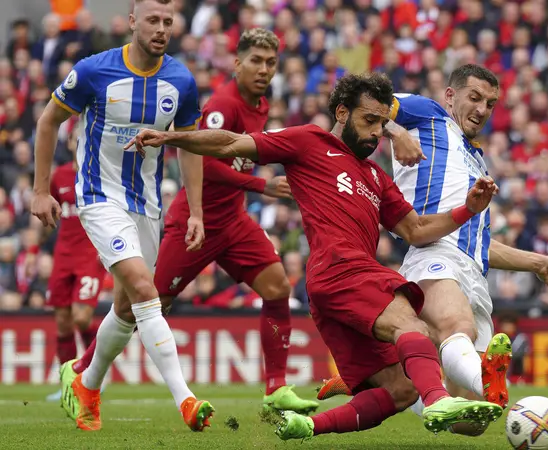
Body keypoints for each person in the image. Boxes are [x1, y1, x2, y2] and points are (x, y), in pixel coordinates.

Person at [126, 72, 504, 440]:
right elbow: (229, 144)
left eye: (381, 124)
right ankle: (438, 399)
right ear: (342, 113)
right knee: (414, 327)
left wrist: (468, 209)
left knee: (402, 390)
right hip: (341, 269)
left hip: (333, 290)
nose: (376, 133)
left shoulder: (375, 176)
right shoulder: (308, 141)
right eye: (369, 121)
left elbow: (417, 230)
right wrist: (170, 137)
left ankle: (306, 427)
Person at [63, 28, 320, 416]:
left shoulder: (262, 103)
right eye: (255, 61)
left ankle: (275, 388)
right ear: (237, 63)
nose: (264, 70)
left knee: (277, 287)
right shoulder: (222, 104)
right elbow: (204, 162)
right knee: (144, 306)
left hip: (233, 221)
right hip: (194, 223)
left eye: (271, 62)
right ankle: (82, 370)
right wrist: (260, 186)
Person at [317, 65, 548, 437]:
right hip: (432, 252)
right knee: (460, 329)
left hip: (473, 271)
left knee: (470, 423)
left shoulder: (477, 161)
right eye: (474, 98)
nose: (482, 109)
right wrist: (396, 130)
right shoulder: (428, 113)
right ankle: (484, 376)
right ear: (451, 96)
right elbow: (362, 104)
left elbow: (483, 245)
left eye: (490, 103)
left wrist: (538, 263)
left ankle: (378, 378)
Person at [32, 0, 214, 432]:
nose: (161, 28)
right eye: (153, 20)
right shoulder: (95, 70)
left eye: (168, 22)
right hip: (98, 196)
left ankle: (86, 384)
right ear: (132, 22)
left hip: (148, 205)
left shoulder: (182, 81)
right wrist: (40, 190)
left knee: (129, 308)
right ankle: (185, 399)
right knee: (142, 286)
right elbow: (47, 121)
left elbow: (190, 146)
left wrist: (197, 212)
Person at [44, 131, 105, 402]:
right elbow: (50, 211)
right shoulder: (59, 177)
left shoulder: (102, 175)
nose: (78, 143)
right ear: (69, 144)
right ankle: (68, 385)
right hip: (63, 255)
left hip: (90, 254)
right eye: (74, 139)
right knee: (62, 324)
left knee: (81, 317)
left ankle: (93, 375)